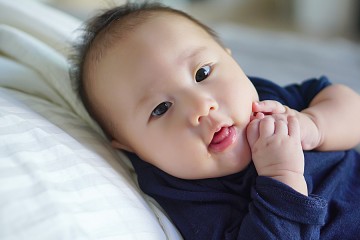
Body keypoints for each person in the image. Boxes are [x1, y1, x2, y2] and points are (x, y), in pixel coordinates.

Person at [70, 2, 360, 239]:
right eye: (161, 108)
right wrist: (281, 176)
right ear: (132, 147)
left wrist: (315, 125)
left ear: (232, 61)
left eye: (202, 74)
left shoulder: (268, 99)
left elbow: (351, 108)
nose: (201, 106)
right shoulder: (187, 195)